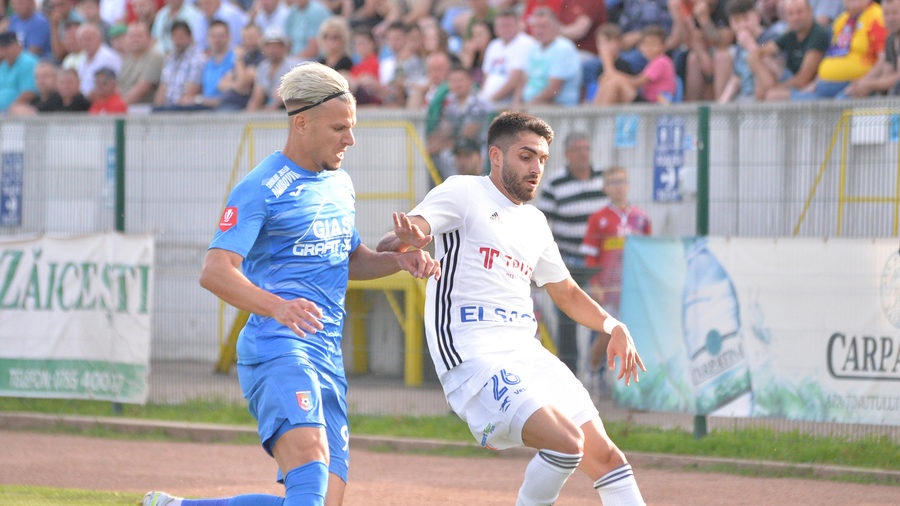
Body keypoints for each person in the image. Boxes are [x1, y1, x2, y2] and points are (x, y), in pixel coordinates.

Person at [140, 61, 440, 506]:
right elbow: (215, 270)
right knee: (310, 473)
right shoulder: (261, 186)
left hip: (326, 355)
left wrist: (399, 261)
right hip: (278, 346)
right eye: (340, 128)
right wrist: (277, 307)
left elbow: (350, 259)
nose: (350, 139)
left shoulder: (340, 184)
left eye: (352, 127)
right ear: (302, 123)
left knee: (316, 502)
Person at [376, 110, 646, 506]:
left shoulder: (536, 221)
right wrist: (406, 240)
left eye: (542, 159)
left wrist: (612, 325)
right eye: (526, 156)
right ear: (496, 156)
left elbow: (567, 292)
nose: (537, 167)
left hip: (527, 354)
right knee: (566, 444)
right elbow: (395, 241)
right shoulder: (463, 191)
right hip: (474, 358)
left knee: (608, 458)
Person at [580, 166, 650, 371]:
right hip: (607, 290)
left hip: (632, 288)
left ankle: (625, 385)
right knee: (605, 335)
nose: (619, 187)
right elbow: (590, 256)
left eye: (622, 181)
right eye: (613, 182)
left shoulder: (642, 218)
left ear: (628, 185)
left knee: (634, 335)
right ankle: (591, 374)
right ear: (605, 188)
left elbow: (647, 255)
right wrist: (594, 285)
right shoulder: (598, 218)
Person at [795, 0, 887, 99]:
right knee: (799, 99)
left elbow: (884, 58)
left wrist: (864, 82)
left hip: (854, 85)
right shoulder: (841, 19)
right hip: (825, 85)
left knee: (840, 102)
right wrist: (815, 82)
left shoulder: (877, 16)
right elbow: (832, 55)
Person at [744, 0, 830, 101]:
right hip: (793, 81)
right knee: (763, 62)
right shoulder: (791, 34)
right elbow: (760, 52)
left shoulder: (818, 34)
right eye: (790, 14)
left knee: (772, 96)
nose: (795, 18)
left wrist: (776, 87)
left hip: (813, 88)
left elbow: (803, 79)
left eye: (799, 12)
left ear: (810, 11)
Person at [515, 7, 582, 107]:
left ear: (556, 26)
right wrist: (516, 103)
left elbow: (553, 89)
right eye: (535, 27)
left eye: (543, 26)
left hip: (556, 106)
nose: (539, 31)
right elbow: (524, 80)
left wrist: (526, 107)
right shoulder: (535, 47)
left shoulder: (563, 48)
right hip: (532, 106)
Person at [593, 24, 676, 104]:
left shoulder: (661, 61)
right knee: (610, 81)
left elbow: (636, 83)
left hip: (656, 106)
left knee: (615, 83)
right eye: (646, 44)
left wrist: (611, 71)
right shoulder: (653, 62)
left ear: (664, 45)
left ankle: (600, 116)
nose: (649, 48)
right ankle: (596, 113)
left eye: (653, 44)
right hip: (648, 103)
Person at [479, 8, 536, 108]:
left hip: (506, 101)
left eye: (509, 25)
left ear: (518, 25)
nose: (505, 29)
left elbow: (515, 80)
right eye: (502, 26)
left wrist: (489, 100)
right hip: (489, 101)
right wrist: (482, 98)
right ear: (495, 29)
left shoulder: (525, 43)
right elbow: (486, 77)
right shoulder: (494, 45)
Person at [843, 0, 900, 97]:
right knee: (847, 96)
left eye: (895, 13)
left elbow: (898, 78)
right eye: (886, 14)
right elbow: (887, 74)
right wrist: (861, 84)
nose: (890, 18)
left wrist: (870, 85)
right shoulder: (890, 39)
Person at [153, 20, 205, 110]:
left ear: (190, 37)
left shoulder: (197, 59)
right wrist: (157, 107)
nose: (178, 40)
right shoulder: (170, 59)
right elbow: (163, 86)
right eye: (175, 36)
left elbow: (191, 90)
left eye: (181, 36)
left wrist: (173, 108)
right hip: (166, 107)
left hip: (183, 108)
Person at [247, 26, 295, 111]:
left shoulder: (292, 67)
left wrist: (270, 109)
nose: (273, 50)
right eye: (269, 46)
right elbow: (257, 96)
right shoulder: (262, 67)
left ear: (284, 48)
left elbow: (284, 98)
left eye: (277, 46)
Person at [119, 20, 165, 106]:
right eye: (132, 36)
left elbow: (143, 88)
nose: (135, 40)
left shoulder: (155, 57)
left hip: (143, 110)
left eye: (139, 36)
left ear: (149, 38)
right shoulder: (128, 59)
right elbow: (119, 86)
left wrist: (120, 107)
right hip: (125, 108)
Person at [76, 22, 121, 98]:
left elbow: (106, 87)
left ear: (100, 38)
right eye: (82, 40)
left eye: (88, 39)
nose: (85, 43)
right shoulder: (83, 58)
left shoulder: (108, 58)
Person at [0, 31, 39, 113]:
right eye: (2, 48)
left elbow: (29, 93)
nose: (4, 51)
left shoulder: (28, 62)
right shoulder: (3, 65)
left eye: (7, 47)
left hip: (17, 114)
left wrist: (7, 111)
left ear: (17, 46)